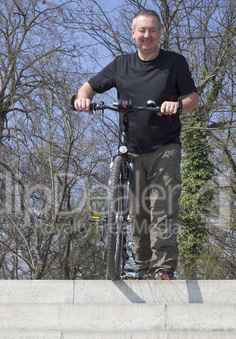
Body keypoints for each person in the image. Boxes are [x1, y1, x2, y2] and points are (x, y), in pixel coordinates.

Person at [74, 9, 199, 280]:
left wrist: (176, 105)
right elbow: (88, 88)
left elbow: (193, 97)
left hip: (165, 146)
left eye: (152, 30)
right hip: (130, 149)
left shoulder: (174, 62)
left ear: (159, 33)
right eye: (142, 30)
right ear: (133, 33)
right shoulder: (121, 65)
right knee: (137, 212)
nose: (147, 35)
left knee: (163, 207)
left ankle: (163, 268)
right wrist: (82, 99)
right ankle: (143, 269)